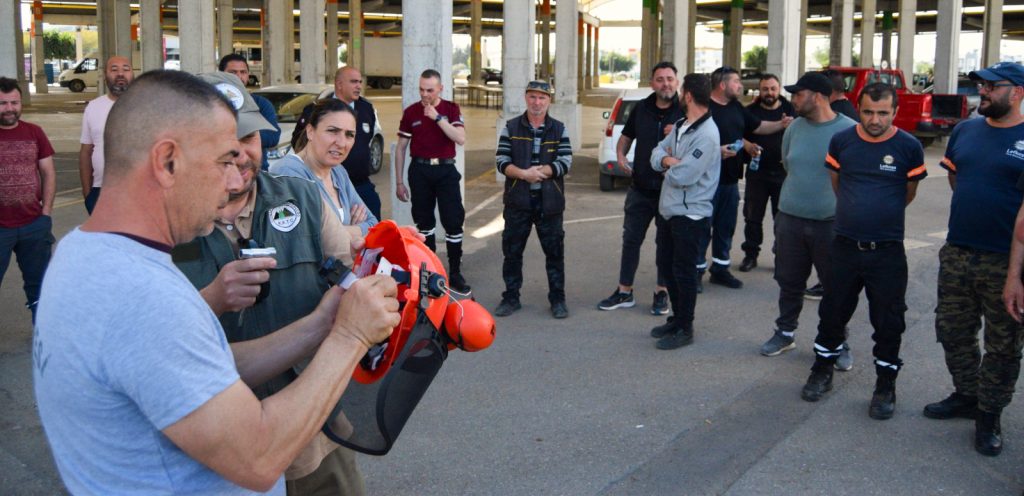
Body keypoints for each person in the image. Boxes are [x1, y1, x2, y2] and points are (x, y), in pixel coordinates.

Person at [33, 70, 399, 494]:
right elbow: (259, 457)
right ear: (168, 161)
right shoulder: (144, 296)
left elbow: (214, 362)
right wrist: (350, 335)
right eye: (224, 160)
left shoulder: (79, 253)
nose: (234, 180)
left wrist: (323, 323)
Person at [173, 72, 367, 495]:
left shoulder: (301, 196)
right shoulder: (167, 226)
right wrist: (211, 299)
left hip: (316, 425)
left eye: (251, 138)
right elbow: (157, 343)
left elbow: (350, 271)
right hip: (224, 443)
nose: (241, 154)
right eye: (224, 142)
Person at [799, 83, 926, 421]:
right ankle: (822, 370)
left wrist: (879, 215)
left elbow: (908, 192)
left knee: (888, 321)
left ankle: (885, 385)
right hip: (844, 246)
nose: (874, 119)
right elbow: (837, 183)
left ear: (895, 112)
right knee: (832, 313)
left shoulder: (909, 147)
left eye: (883, 113)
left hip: (887, 251)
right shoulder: (842, 141)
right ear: (859, 107)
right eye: (868, 111)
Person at [929, 61, 1024, 457]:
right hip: (958, 251)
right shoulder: (966, 130)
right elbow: (956, 177)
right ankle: (967, 394)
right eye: (980, 86)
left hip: (1007, 260)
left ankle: (989, 415)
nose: (981, 92)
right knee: (952, 330)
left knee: (1003, 344)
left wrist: (1017, 274)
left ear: (1017, 92)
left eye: (991, 86)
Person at [759, 72, 856, 368]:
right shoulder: (795, 128)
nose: (793, 99)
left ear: (818, 96)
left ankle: (837, 341)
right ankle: (785, 333)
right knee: (789, 282)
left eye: (798, 94)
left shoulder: (849, 131)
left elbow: (853, 179)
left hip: (831, 225)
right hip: (789, 220)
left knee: (835, 287)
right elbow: (789, 163)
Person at [597, 62, 683, 316]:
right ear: (652, 83)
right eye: (660, 79)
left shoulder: (686, 111)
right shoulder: (641, 108)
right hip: (640, 189)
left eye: (670, 78)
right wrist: (621, 155)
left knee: (666, 243)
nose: (665, 83)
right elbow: (627, 135)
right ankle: (624, 291)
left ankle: (661, 292)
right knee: (631, 240)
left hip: (670, 190)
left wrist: (678, 132)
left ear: (677, 82)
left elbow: (699, 146)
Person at [700, 66, 791, 291]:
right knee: (702, 229)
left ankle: (720, 270)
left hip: (731, 181)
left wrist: (781, 124)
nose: (741, 85)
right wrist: (715, 152)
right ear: (722, 85)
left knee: (725, 228)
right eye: (736, 82)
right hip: (705, 182)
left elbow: (759, 127)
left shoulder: (736, 108)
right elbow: (690, 142)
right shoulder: (703, 109)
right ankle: (695, 272)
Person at [648, 73, 721, 350]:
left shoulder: (708, 135)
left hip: (691, 216)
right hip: (670, 211)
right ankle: (677, 320)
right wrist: (668, 160)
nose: (677, 94)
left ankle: (686, 327)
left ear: (688, 95)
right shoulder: (681, 124)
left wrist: (669, 166)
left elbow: (684, 175)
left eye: (681, 90)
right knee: (668, 268)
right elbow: (656, 153)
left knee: (684, 272)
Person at [493, 80, 573, 319]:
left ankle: (558, 299)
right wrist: (524, 174)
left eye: (542, 98)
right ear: (525, 98)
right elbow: (501, 161)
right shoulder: (511, 127)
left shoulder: (559, 129)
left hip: (549, 203)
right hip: (518, 202)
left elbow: (566, 162)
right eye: (533, 97)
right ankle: (511, 297)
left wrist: (543, 171)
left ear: (549, 101)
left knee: (555, 253)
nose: (537, 102)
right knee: (512, 252)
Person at [394, 69, 471, 293]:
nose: (424, 94)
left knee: (453, 221)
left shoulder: (450, 109)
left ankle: (455, 271)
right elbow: (400, 149)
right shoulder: (410, 113)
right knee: (424, 223)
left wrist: (437, 117)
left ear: (440, 89)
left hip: (446, 170)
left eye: (429, 90)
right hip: (420, 170)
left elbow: (460, 138)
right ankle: (429, 271)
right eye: (421, 89)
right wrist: (399, 181)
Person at [271, 99, 378, 237]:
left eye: (349, 135)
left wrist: (337, 231)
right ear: (310, 131)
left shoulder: (338, 172)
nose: (341, 143)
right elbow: (308, 237)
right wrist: (353, 229)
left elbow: (373, 223)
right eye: (333, 131)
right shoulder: (287, 173)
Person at [0, 76, 55, 323]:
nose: (10, 108)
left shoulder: (35, 132)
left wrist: (46, 214)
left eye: (14, 102)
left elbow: (48, 172)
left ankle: (42, 332)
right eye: (3, 103)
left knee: (40, 286)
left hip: (33, 224)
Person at [738, 74, 795, 273]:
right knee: (753, 218)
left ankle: (781, 257)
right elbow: (738, 135)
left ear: (778, 89)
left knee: (782, 219)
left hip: (783, 174)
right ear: (759, 90)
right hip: (757, 174)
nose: (769, 93)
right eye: (765, 89)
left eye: (772, 88)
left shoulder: (791, 110)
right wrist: (746, 146)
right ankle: (750, 255)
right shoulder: (750, 112)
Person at [79, 55, 132, 214]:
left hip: (139, 192)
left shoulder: (147, 106)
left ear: (132, 75)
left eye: (126, 69)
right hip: (100, 191)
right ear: (105, 76)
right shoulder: (93, 108)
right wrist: (88, 195)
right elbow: (85, 152)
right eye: (114, 70)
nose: (120, 74)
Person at [333, 66, 383, 221]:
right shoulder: (321, 110)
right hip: (332, 187)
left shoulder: (366, 108)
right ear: (339, 84)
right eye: (354, 82)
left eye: (360, 82)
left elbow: (366, 140)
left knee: (375, 228)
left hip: (361, 184)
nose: (359, 86)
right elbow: (300, 143)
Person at [220, 53, 281, 170]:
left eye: (243, 72)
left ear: (248, 75)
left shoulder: (261, 103)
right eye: (232, 73)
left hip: (256, 172)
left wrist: (233, 132)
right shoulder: (211, 103)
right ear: (221, 74)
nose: (238, 77)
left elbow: (273, 136)